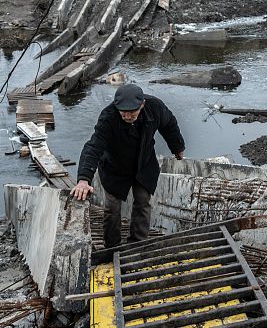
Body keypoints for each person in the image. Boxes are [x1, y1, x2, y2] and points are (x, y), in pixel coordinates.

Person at [71, 84, 185, 248]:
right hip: (114, 167)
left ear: (142, 105)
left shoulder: (155, 107)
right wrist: (83, 179)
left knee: (143, 202)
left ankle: (137, 244)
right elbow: (93, 147)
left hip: (143, 163)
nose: (127, 115)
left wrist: (177, 147)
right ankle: (112, 247)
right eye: (123, 111)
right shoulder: (108, 117)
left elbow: (169, 124)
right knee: (112, 208)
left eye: (132, 111)